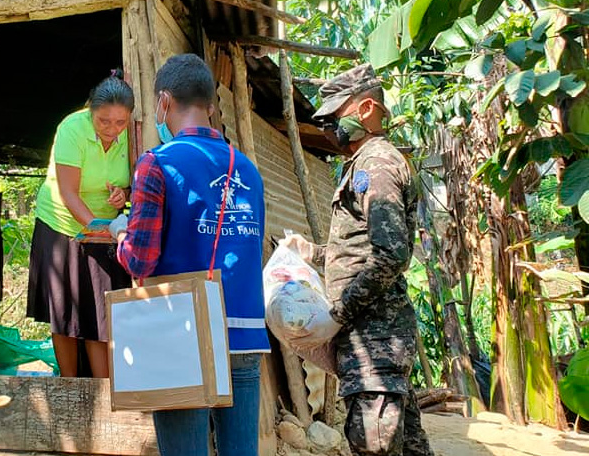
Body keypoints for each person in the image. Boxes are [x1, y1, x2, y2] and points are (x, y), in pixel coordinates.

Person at [109, 54, 269, 456]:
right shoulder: (248, 170)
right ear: (212, 106)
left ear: (163, 101)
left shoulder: (157, 164)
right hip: (245, 333)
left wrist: (119, 232)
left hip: (183, 332)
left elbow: (140, 260)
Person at [286, 64, 434, 456]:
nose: (332, 127)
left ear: (367, 109)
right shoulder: (362, 163)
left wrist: (338, 313)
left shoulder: (376, 165)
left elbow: (390, 255)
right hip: (372, 344)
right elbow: (361, 249)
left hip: (376, 342)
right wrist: (313, 253)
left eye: (338, 116)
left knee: (374, 445)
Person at [26, 70, 133, 378]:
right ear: (90, 112)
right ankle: (70, 385)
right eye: (103, 121)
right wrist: (100, 227)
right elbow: (68, 192)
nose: (112, 129)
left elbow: (131, 184)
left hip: (106, 232)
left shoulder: (132, 134)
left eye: (119, 122)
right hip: (62, 227)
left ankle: (102, 388)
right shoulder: (72, 129)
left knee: (100, 313)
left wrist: (122, 194)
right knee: (65, 313)